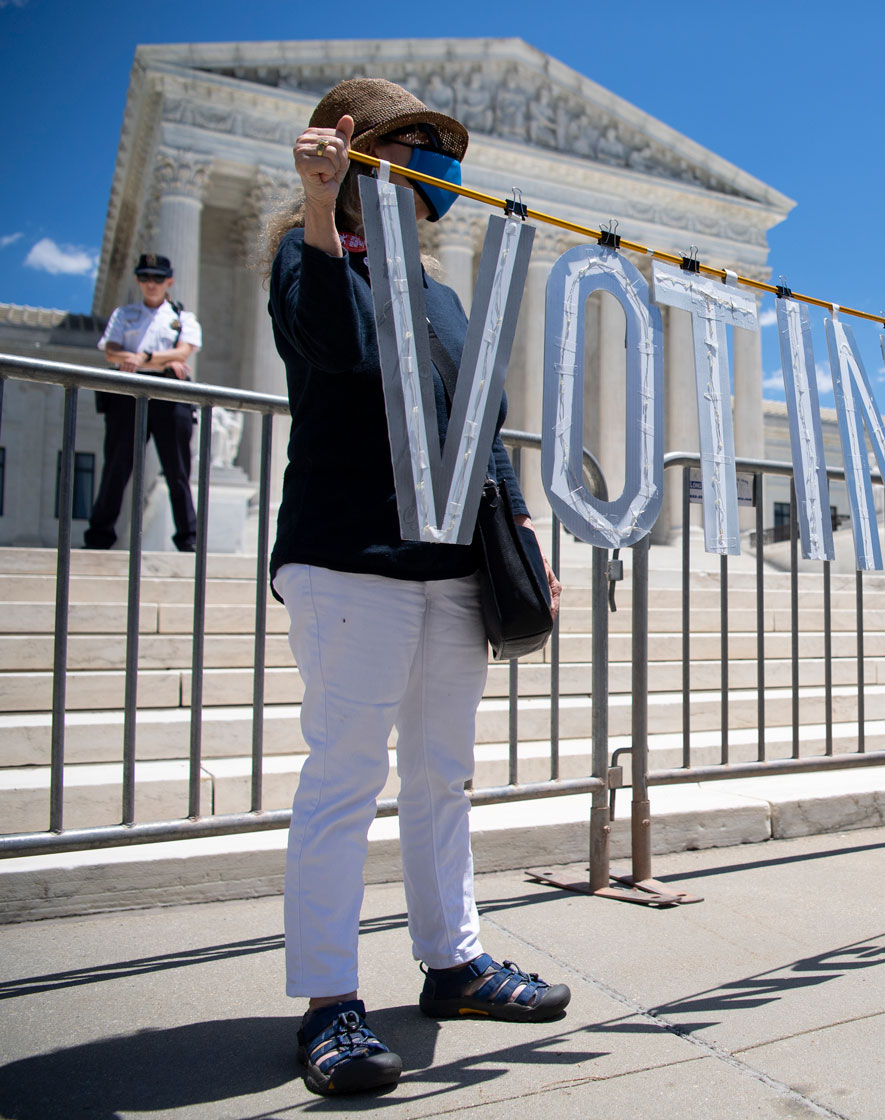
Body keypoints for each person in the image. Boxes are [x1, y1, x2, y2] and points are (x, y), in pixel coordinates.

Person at [267, 78, 568, 1097]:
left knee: (443, 773)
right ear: (358, 156)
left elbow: (476, 415)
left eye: (436, 160)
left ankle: (455, 963)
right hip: (352, 553)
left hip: (448, 564)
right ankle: (329, 1000)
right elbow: (326, 344)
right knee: (345, 777)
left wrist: (519, 523)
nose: (427, 175)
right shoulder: (311, 257)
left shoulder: (440, 293)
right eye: (409, 151)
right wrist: (317, 207)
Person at [85, 254, 200, 551]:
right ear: (138, 280)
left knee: (178, 471)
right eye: (146, 278)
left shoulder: (182, 318)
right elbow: (111, 351)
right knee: (116, 467)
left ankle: (189, 540)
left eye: (158, 279)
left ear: (169, 281)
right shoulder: (125, 314)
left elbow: (184, 352)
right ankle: (99, 538)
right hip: (128, 393)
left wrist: (142, 357)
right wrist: (163, 358)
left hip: (168, 393)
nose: (152, 284)